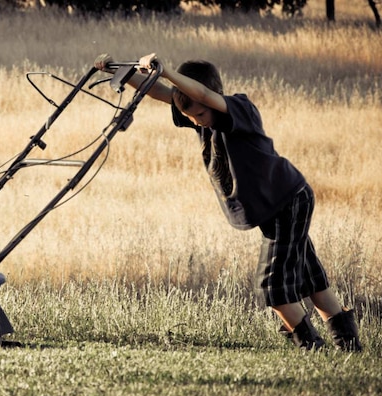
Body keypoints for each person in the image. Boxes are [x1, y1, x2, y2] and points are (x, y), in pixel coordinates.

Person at [95, 53, 362, 351]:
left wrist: (168, 70)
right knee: (309, 277)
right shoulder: (200, 116)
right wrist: (120, 68)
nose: (197, 121)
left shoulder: (238, 108)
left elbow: (204, 95)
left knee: (272, 288)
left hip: (288, 201)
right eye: (191, 117)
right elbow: (161, 92)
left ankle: (313, 349)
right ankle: (348, 346)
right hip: (275, 207)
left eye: (199, 114)